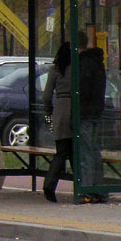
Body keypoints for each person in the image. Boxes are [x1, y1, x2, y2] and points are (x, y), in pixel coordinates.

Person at [78, 30, 108, 204]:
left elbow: (82, 91)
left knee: (86, 153)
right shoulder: (97, 62)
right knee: (94, 151)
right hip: (96, 111)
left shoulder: (84, 64)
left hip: (86, 113)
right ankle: (100, 190)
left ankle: (87, 190)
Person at [42, 42, 72, 202]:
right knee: (74, 151)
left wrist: (49, 110)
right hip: (75, 109)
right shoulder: (77, 68)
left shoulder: (54, 68)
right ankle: (82, 186)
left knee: (61, 151)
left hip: (60, 110)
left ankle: (49, 184)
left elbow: (46, 95)